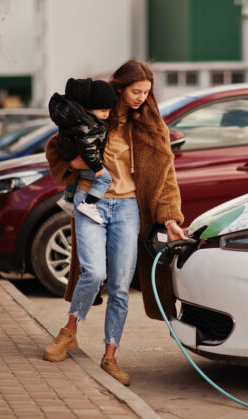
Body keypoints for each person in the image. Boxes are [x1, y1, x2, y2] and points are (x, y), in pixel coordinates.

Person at [43, 59, 186, 386]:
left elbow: (166, 178)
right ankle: (69, 332)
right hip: (89, 201)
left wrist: (171, 218)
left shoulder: (150, 127)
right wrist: (73, 164)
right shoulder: (94, 113)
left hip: (128, 208)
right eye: (136, 91)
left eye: (146, 93)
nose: (141, 97)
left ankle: (110, 355)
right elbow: (56, 147)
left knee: (121, 286)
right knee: (92, 272)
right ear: (120, 88)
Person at [50, 78, 118, 223]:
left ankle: (67, 198)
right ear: (90, 107)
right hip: (82, 160)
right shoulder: (88, 125)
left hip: (70, 154)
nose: (107, 115)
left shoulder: (78, 119)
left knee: (76, 176)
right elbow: (88, 147)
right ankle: (89, 203)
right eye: (103, 110)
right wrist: (97, 166)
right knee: (105, 179)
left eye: (109, 111)